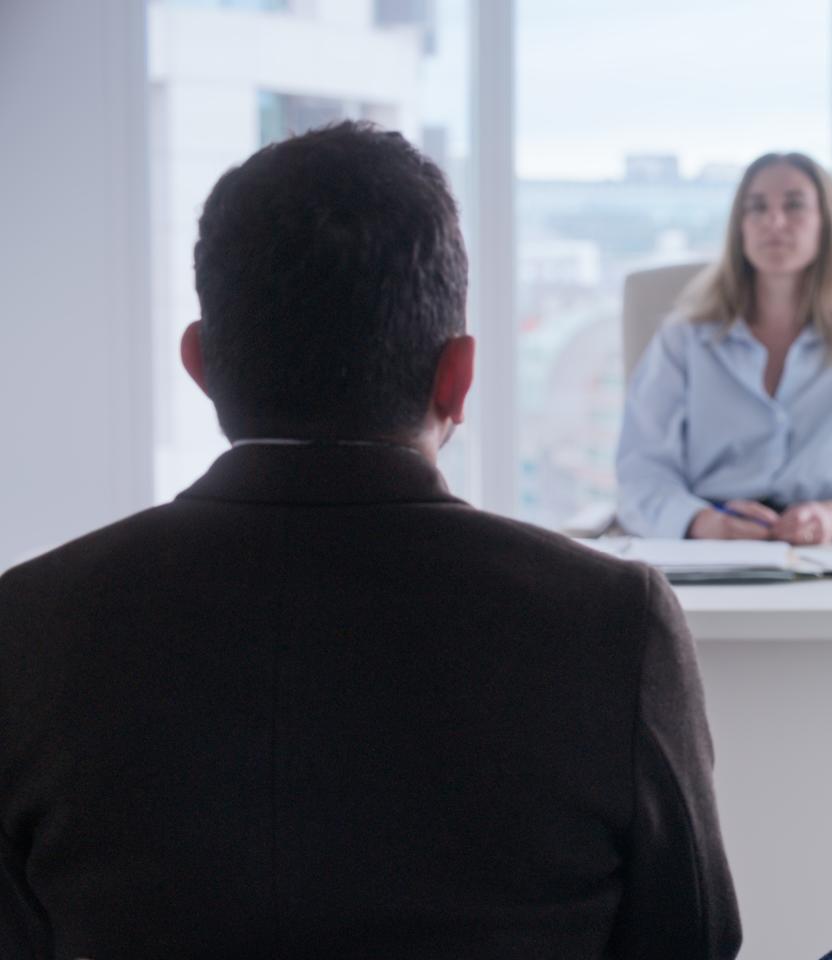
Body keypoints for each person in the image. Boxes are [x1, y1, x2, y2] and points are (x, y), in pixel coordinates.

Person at [0, 122, 740, 960]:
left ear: (202, 367)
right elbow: (694, 942)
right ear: (457, 377)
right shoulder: (611, 623)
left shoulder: (26, 625)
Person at [616, 152, 832, 545]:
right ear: (739, 228)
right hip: (708, 550)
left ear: (826, 225)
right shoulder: (683, 341)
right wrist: (702, 523)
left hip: (830, 553)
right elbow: (641, 472)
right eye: (757, 208)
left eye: (794, 205)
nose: (773, 222)